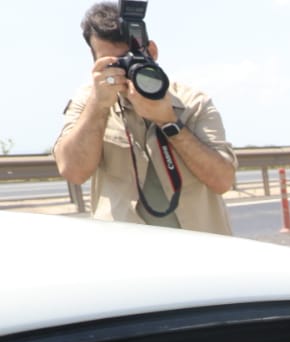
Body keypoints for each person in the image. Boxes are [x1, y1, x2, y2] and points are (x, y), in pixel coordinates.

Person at [54, 2, 236, 234]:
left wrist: (169, 122)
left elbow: (222, 180)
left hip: (199, 247)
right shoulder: (88, 101)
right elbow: (73, 172)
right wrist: (98, 106)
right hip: (126, 254)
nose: (128, 70)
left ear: (152, 51)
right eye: (115, 64)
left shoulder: (193, 102)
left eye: (132, 58)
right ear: (96, 64)